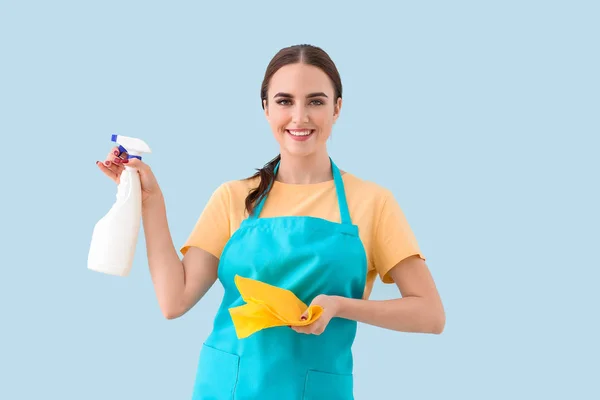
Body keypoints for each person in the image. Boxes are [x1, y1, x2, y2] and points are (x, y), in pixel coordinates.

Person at [96, 44, 445, 400]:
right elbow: (174, 301)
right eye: (284, 101)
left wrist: (341, 306)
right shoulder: (233, 197)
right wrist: (151, 203)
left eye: (316, 101)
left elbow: (430, 314)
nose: (299, 116)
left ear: (337, 108)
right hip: (226, 389)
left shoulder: (373, 202)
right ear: (265, 108)